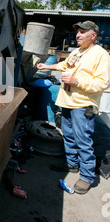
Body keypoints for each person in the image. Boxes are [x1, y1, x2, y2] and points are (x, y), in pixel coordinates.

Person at [37, 21, 110, 194]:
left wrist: (77, 81)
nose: (78, 35)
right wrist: (46, 66)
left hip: (82, 104)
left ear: (93, 35)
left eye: (83, 32)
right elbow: (65, 66)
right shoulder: (77, 52)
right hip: (67, 101)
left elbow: (102, 82)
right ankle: (71, 164)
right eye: (77, 32)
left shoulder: (100, 55)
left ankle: (86, 177)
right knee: (68, 135)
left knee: (83, 140)